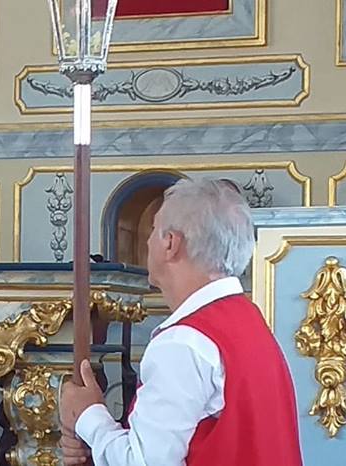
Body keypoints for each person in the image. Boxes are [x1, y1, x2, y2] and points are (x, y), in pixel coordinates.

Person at [58, 178, 302, 466]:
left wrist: (88, 415)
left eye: (153, 229)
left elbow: (142, 462)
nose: (147, 240)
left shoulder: (184, 343)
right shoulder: (246, 319)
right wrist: (96, 437)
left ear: (171, 243)